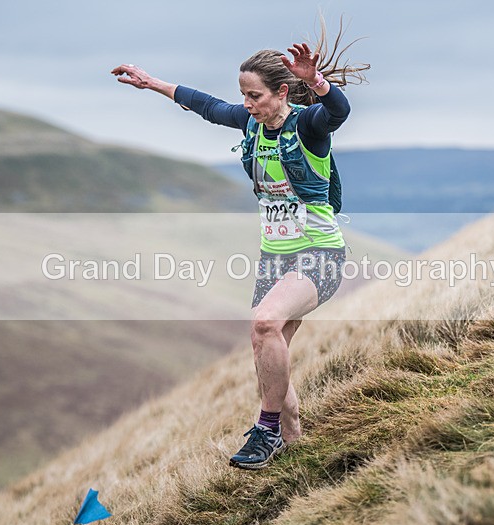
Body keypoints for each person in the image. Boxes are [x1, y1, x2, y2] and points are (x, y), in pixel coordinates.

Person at [112, 25, 368, 470]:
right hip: (275, 258)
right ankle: (293, 442)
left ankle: (265, 429)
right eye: (244, 96)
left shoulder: (308, 127)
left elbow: (338, 112)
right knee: (267, 347)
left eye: (254, 96)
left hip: (320, 255)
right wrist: (151, 82)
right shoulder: (252, 125)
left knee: (265, 323)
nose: (246, 105)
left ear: (281, 91)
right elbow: (207, 106)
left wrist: (318, 84)